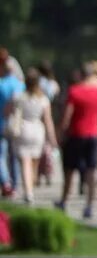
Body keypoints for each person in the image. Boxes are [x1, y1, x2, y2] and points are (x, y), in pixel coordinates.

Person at [57, 61, 97, 217]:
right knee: (91, 171)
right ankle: (89, 204)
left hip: (76, 134)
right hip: (93, 135)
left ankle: (65, 200)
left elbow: (67, 116)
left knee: (69, 170)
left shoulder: (74, 91)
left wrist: (61, 132)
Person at [9, 74, 56, 204]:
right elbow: (48, 120)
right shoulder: (43, 99)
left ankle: (28, 190)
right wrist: (52, 138)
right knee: (34, 163)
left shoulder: (19, 97)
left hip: (23, 129)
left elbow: (10, 112)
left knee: (25, 162)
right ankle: (31, 187)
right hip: (37, 130)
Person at [0, 54, 24, 197]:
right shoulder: (21, 85)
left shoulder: (1, 84)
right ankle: (15, 183)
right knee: (14, 155)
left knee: (1, 155)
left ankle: (5, 181)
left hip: (2, 122)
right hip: (16, 125)